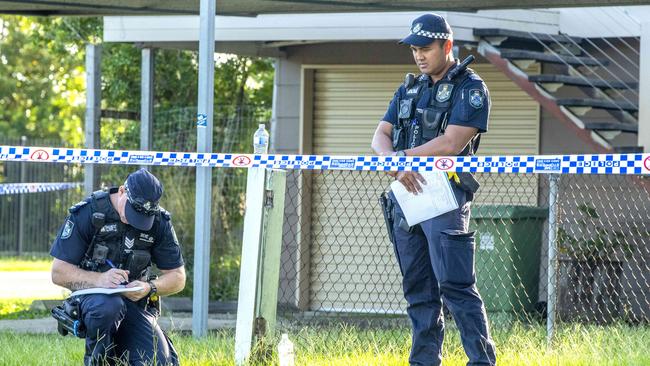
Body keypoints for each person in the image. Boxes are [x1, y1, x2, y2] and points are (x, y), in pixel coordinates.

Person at [371, 13, 497, 366]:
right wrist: (394, 163)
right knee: (419, 291)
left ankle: (481, 361)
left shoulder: (470, 87)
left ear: (447, 46)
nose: (419, 56)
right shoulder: (409, 88)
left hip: (446, 198)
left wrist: (403, 157)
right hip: (407, 197)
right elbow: (379, 135)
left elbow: (451, 142)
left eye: (426, 49)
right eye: (414, 50)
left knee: (456, 287)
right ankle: (424, 361)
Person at [50, 168, 186, 366]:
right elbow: (58, 272)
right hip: (94, 299)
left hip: (134, 302)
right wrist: (100, 280)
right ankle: (98, 360)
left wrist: (149, 288)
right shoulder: (89, 212)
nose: (133, 220)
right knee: (109, 306)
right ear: (122, 191)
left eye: (141, 218)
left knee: (159, 361)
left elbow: (178, 277)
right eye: (130, 212)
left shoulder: (159, 222)